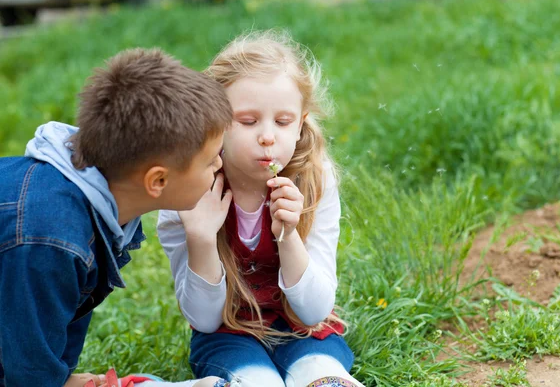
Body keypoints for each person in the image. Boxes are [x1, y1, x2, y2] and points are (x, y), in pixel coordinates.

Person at [0, 48, 232, 387]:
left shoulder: (97, 207)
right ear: (157, 181)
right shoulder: (51, 239)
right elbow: (27, 377)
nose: (219, 165)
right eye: (210, 159)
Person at [157, 30, 365, 387]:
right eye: (248, 121)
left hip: (305, 329)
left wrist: (288, 238)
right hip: (227, 334)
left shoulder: (314, 179)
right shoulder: (189, 190)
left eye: (283, 122)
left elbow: (314, 310)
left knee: (323, 377)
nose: (267, 136)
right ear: (214, 123)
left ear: (300, 125)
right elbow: (204, 319)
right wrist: (201, 238)